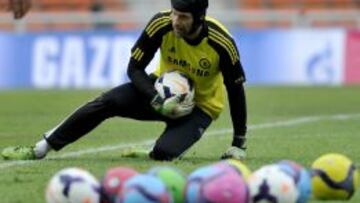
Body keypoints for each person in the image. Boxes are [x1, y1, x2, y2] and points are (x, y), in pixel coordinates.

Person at [1, 0, 248, 161]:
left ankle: (154, 150)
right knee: (106, 101)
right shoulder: (161, 24)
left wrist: (238, 143)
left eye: (183, 16)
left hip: (200, 108)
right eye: (174, 13)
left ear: (200, 17)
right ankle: (40, 148)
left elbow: (236, 90)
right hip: (159, 92)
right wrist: (155, 97)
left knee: (164, 154)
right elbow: (134, 68)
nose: (175, 21)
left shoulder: (222, 43)